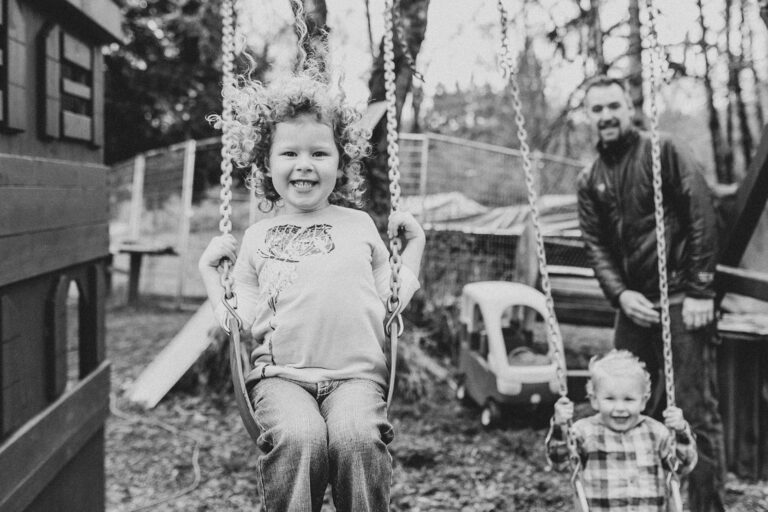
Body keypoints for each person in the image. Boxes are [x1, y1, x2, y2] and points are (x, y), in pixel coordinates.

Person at [198, 69, 426, 512]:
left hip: (356, 379)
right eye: (289, 152)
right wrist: (211, 271)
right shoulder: (258, 237)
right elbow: (235, 318)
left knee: (357, 439)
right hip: (281, 380)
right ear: (267, 163)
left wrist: (414, 244)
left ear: (341, 163)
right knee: (299, 438)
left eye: (320, 152)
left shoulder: (359, 225)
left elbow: (392, 297)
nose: (304, 163)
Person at [577, 75, 726, 511]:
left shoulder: (662, 151)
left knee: (693, 412)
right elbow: (596, 246)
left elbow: (701, 213)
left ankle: (706, 506)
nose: (606, 116)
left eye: (613, 106)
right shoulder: (591, 178)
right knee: (624, 403)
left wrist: (700, 289)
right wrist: (620, 295)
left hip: (681, 293)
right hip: (634, 302)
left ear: (629, 108)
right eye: (597, 109)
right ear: (590, 115)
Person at [547, 350, 698, 512]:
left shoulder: (656, 433)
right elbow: (559, 463)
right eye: (610, 399)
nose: (619, 408)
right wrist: (560, 427)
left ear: (643, 401)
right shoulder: (584, 432)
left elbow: (683, 465)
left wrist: (681, 430)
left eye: (628, 399)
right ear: (594, 400)